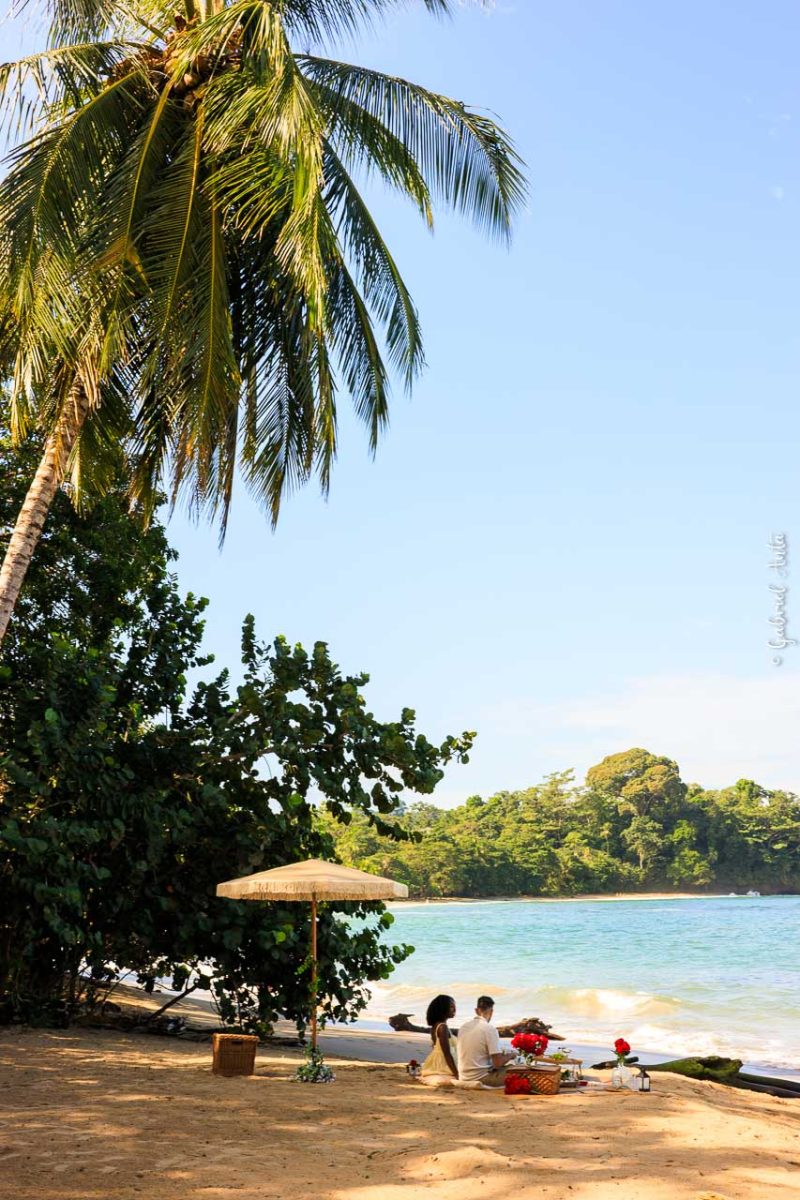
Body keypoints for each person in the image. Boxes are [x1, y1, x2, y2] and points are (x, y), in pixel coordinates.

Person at [457, 995, 515, 1087]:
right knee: (517, 1070)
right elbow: (497, 1064)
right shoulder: (489, 1029)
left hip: (463, 1076)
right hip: (481, 1078)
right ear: (491, 1011)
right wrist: (511, 1055)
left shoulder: (463, 1027)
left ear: (476, 1010)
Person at [419, 994, 459, 1084]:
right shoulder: (442, 1027)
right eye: (452, 1007)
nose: (455, 1010)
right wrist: (457, 1074)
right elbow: (447, 1054)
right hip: (444, 1065)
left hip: (439, 1062)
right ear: (443, 1008)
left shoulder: (436, 1025)